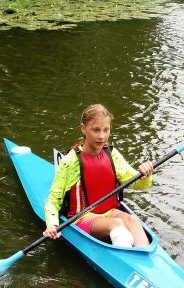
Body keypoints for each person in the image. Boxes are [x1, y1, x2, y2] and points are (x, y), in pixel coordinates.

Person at [42, 104, 154, 248]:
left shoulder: (112, 154)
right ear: (83, 128)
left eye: (106, 130)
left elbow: (139, 184)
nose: (101, 136)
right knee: (117, 224)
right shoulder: (70, 161)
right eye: (96, 130)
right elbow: (53, 200)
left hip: (110, 213)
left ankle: (143, 255)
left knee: (132, 220)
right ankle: (123, 254)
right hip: (82, 218)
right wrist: (52, 225)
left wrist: (146, 174)